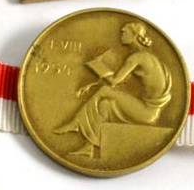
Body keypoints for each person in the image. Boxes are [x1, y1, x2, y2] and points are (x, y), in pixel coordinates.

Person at [54, 22, 172, 158]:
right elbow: (121, 83)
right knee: (105, 105)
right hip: (147, 110)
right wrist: (91, 85)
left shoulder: (137, 58)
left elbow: (114, 81)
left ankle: (75, 122)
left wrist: (97, 65)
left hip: (146, 111)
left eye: (124, 32)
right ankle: (88, 147)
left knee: (105, 90)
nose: (121, 34)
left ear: (134, 36)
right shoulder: (148, 57)